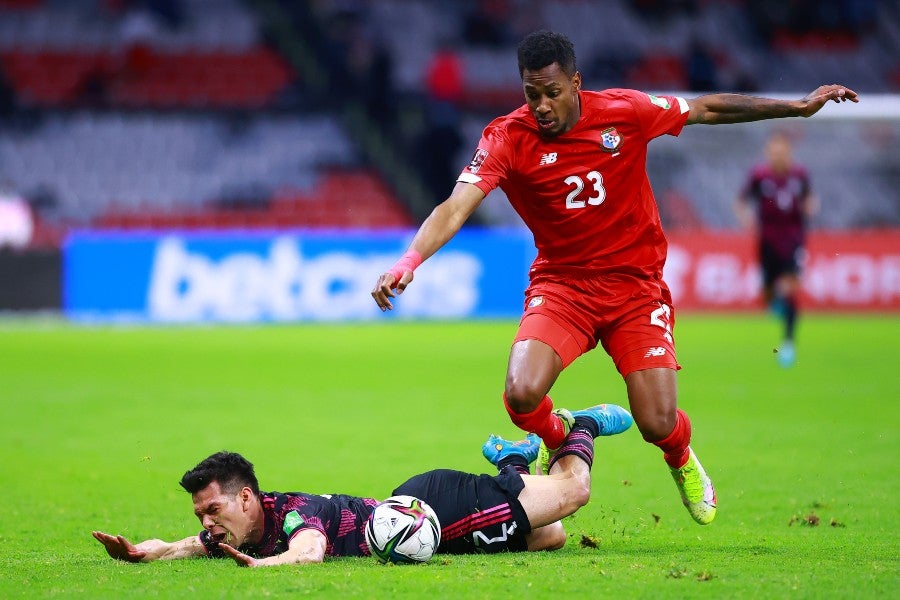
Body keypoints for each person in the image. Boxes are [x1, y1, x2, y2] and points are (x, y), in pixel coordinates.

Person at [371, 30, 858, 526]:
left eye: (552, 92)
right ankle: (564, 435)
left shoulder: (625, 111)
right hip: (563, 288)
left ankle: (682, 458)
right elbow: (455, 207)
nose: (540, 105)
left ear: (575, 83)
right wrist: (407, 262)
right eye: (531, 93)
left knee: (656, 422)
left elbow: (705, 108)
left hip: (634, 288)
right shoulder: (506, 138)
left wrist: (797, 107)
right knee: (521, 392)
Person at [92, 404, 633, 566]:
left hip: (432, 508)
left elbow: (306, 554)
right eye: (202, 516)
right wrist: (143, 554)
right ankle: (513, 464)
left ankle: (580, 425)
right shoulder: (230, 534)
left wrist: (261, 567)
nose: (208, 525)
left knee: (572, 496)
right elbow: (185, 546)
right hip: (421, 531)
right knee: (553, 534)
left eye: (213, 510)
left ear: (247, 498)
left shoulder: (296, 514)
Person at [734, 131, 818, 367]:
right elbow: (741, 200)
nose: (777, 155)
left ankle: (788, 343)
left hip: (793, 240)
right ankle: (776, 300)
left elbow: (810, 198)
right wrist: (745, 218)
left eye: (781, 151)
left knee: (790, 287)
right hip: (767, 241)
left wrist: (810, 207)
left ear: (788, 152)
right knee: (770, 290)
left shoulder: (799, 175)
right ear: (768, 153)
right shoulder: (760, 176)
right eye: (773, 151)